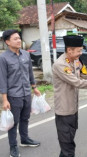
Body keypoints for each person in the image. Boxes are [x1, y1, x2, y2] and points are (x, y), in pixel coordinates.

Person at [0, 29, 41, 157]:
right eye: (15, 39)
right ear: (7, 42)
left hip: (26, 93)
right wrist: (4, 100)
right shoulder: (3, 58)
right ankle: (13, 147)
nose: (18, 40)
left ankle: (25, 139)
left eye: (19, 38)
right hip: (13, 95)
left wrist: (34, 87)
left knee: (25, 118)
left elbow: (30, 73)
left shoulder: (26, 54)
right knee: (13, 122)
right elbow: (2, 79)